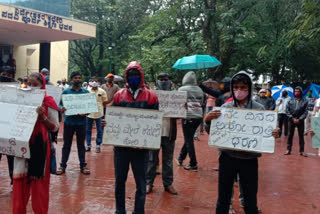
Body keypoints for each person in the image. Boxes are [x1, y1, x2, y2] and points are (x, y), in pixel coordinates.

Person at [204, 71, 279, 214]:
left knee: (251, 199)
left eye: (243, 87)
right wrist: (207, 121)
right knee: (223, 198)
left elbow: (267, 134)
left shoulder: (259, 109)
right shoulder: (225, 108)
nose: (239, 91)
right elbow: (213, 132)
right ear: (232, 88)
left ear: (249, 88)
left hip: (249, 160)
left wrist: (274, 133)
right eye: (236, 87)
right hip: (227, 158)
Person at [112, 61, 159, 214]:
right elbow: (113, 116)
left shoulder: (151, 96)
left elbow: (154, 124)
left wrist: (145, 142)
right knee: (120, 182)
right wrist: (108, 122)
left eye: (136, 75)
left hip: (141, 149)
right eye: (130, 75)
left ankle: (139, 211)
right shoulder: (119, 95)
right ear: (127, 76)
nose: (133, 77)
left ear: (141, 76)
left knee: (141, 182)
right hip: (121, 149)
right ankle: (120, 210)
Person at [12, 72, 59, 214]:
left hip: (40, 148)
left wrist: (43, 117)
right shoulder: (20, 99)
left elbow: (55, 127)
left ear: (42, 85)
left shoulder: (49, 101)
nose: (31, 87)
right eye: (29, 84)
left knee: (39, 188)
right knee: (19, 185)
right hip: (21, 145)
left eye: (35, 85)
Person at [146, 72, 178, 195]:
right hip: (154, 132)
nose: (164, 81)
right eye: (161, 79)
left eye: (166, 79)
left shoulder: (176, 95)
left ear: (169, 80)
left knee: (168, 160)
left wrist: (182, 108)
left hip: (170, 132)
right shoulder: (151, 94)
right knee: (151, 159)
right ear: (157, 81)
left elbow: (179, 114)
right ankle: (149, 183)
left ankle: (168, 184)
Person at [56, 72, 91, 175]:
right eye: (75, 78)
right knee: (66, 145)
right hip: (69, 122)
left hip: (81, 123)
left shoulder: (85, 92)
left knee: (81, 145)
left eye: (79, 78)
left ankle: (83, 166)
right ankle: (62, 166)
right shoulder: (66, 92)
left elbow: (90, 107)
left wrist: (85, 112)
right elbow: (59, 104)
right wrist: (61, 108)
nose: (78, 79)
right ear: (71, 80)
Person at [176, 71, 205, 171]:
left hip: (188, 116)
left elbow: (178, 102)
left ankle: (193, 163)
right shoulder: (200, 90)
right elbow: (201, 102)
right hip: (198, 116)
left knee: (189, 140)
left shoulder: (182, 89)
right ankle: (180, 158)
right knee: (189, 138)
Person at [0, 65, 16, 185]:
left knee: (12, 158)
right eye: (3, 74)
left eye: (8, 75)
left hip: (11, 130)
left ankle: (13, 180)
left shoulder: (18, 89)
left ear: (12, 77)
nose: (5, 77)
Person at [86, 77, 108, 153]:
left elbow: (105, 102)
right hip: (89, 114)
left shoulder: (102, 91)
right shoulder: (87, 91)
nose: (94, 82)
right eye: (93, 81)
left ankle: (98, 145)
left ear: (98, 82)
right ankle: (88, 145)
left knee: (100, 130)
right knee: (88, 130)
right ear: (90, 83)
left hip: (99, 113)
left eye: (96, 81)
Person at [285, 86, 308, 156]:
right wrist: (292, 118)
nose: (296, 93)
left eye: (298, 91)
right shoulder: (290, 100)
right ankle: (288, 149)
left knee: (301, 136)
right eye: (295, 91)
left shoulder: (305, 101)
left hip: (300, 121)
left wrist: (300, 119)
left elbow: (305, 112)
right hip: (291, 120)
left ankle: (302, 150)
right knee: (290, 135)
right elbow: (287, 110)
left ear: (301, 92)